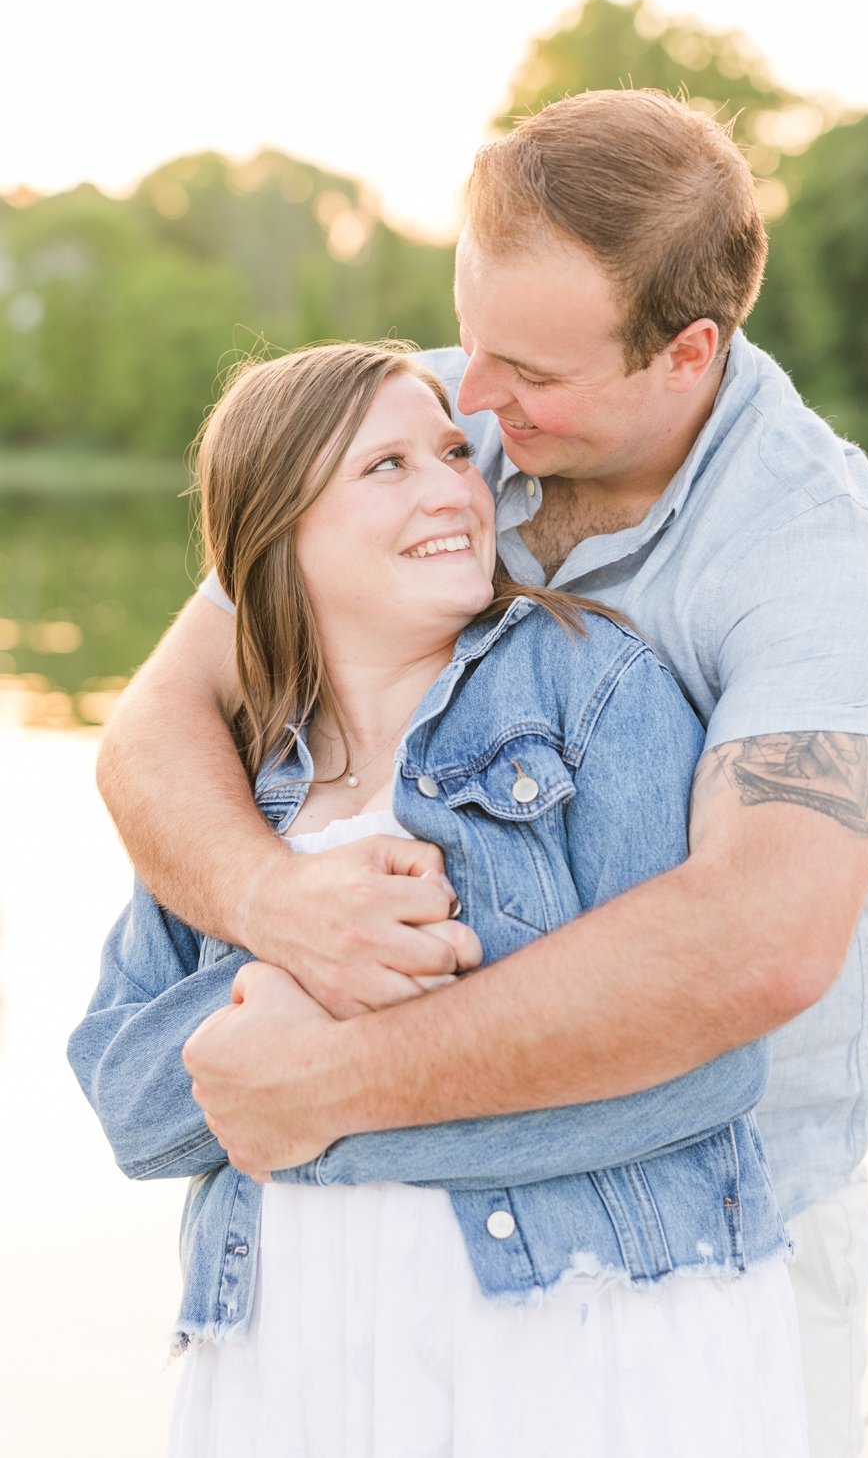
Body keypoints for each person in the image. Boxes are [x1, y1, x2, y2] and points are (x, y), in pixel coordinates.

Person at [97, 89, 868, 1458]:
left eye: (527, 371)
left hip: (691, 1251)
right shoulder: (436, 419)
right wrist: (278, 903)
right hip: (379, 1276)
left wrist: (334, 1088)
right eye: (469, 334)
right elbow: (156, 722)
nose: (474, 399)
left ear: (687, 353)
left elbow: (761, 943)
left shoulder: (810, 550)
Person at [70, 341, 808, 1457]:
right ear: (279, 536)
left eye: (455, 452)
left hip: (579, 1334)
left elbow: (702, 1068)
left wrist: (323, 1095)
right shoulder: (232, 783)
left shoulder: (590, 688)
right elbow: (129, 1101)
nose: (457, 489)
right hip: (292, 1362)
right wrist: (285, 973)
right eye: (387, 466)